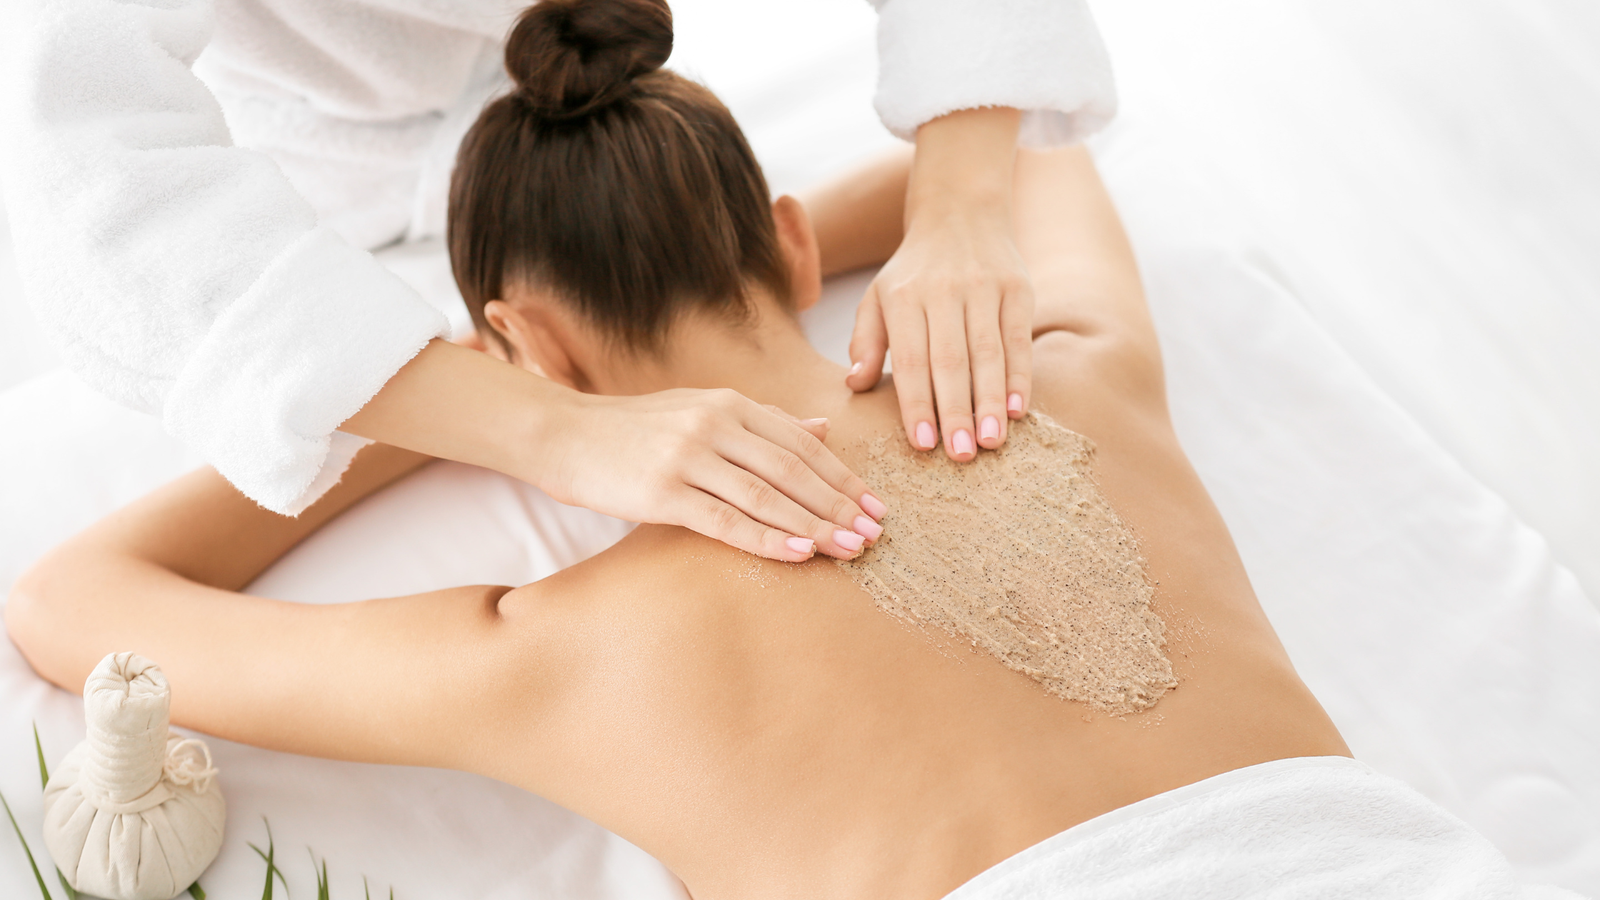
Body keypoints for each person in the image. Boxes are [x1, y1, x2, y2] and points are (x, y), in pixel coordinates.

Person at [9, 8, 1557, 897]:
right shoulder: (1074, 380)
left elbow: (73, 604)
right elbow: (1034, 150)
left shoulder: (562, 652)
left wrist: (436, 402)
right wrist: (934, 215)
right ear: (798, 245)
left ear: (521, 341)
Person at [3, 0, 1115, 562]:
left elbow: (73, 598)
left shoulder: (554, 640)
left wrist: (960, 202)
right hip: (337, 158)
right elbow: (83, 161)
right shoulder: (1097, 377)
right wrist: (543, 431)